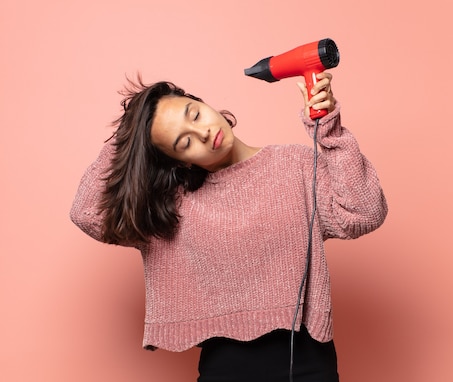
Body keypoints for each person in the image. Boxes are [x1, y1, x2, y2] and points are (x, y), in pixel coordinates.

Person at [70, 71, 387, 382]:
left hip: (308, 363)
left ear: (202, 103)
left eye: (194, 115)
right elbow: (88, 213)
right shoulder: (173, 207)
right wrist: (128, 135)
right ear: (181, 161)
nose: (203, 133)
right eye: (184, 142)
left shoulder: (296, 165)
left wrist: (330, 132)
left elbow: (363, 212)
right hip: (223, 369)